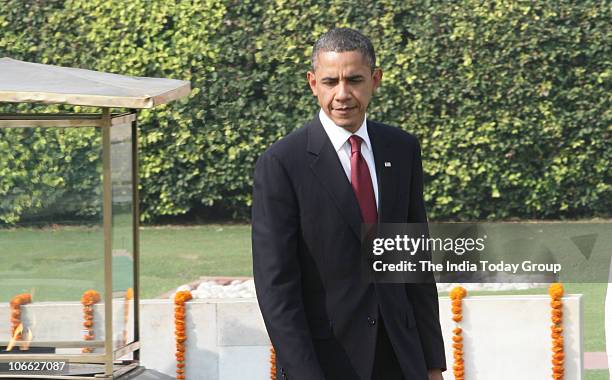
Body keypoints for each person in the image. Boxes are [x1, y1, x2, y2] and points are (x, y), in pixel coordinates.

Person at [252, 28, 446, 380]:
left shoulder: (402, 149)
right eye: (330, 82)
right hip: (326, 364)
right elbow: (276, 287)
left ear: (375, 80)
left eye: (354, 80)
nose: (342, 94)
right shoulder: (281, 163)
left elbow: (415, 264)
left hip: (401, 360)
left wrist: (432, 364)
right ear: (313, 83)